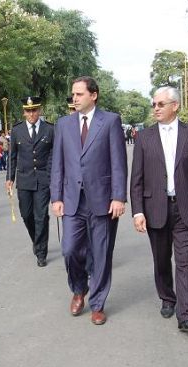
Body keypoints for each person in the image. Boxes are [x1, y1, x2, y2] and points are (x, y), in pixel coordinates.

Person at [130, 86, 188, 332]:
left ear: (175, 106)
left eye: (161, 104)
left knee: (185, 261)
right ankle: (167, 297)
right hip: (155, 208)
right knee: (161, 259)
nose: (156, 108)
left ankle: (186, 314)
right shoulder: (144, 137)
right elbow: (137, 179)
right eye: (154, 104)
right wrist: (138, 211)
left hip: (185, 207)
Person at [50, 76, 127, 326]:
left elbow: (118, 162)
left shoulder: (110, 121)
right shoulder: (63, 124)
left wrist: (118, 197)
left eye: (79, 94)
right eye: (73, 94)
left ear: (93, 95)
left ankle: (97, 304)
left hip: (102, 200)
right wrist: (56, 197)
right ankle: (79, 289)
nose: (74, 98)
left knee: (101, 253)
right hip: (72, 200)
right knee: (69, 249)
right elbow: (58, 163)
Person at [7, 96, 54, 267]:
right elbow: (12, 156)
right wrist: (9, 178)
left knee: (41, 216)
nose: (31, 114)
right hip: (24, 179)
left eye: (34, 110)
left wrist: (51, 175)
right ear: (24, 112)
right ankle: (36, 239)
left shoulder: (50, 129)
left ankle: (41, 252)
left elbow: (53, 155)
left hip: (43, 179)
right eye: (28, 111)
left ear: (39, 110)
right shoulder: (17, 130)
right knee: (27, 215)